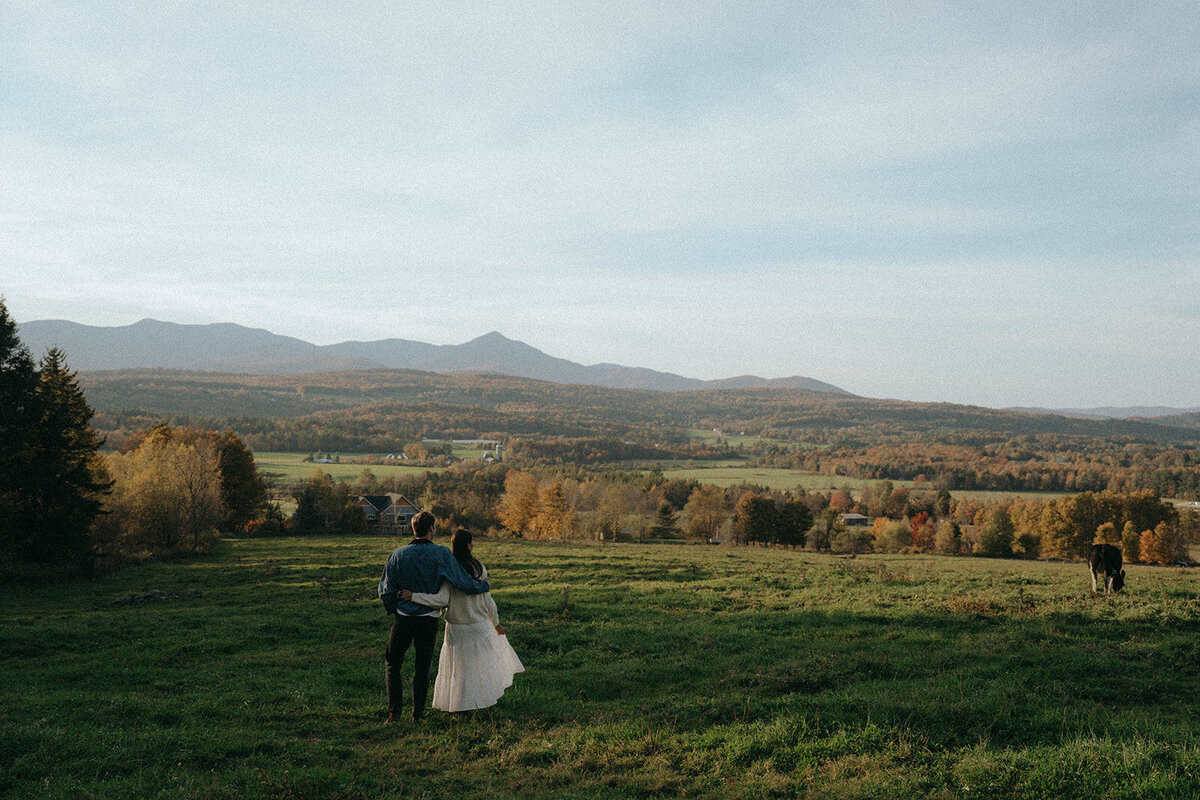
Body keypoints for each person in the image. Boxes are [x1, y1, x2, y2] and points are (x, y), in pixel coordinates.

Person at [378, 511, 490, 723]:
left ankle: (394, 713)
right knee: (422, 666)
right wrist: (483, 585)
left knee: (393, 664)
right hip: (428, 620)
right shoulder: (441, 554)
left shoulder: (397, 555)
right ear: (431, 529)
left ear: (414, 529)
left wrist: (395, 608)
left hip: (403, 618)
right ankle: (417, 715)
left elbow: (385, 590)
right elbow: (462, 582)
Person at [402, 527, 524, 713]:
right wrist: (496, 624)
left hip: (457, 630)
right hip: (479, 626)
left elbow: (441, 600)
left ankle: (460, 706)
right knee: (480, 669)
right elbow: (488, 600)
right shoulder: (479, 568)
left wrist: (414, 596)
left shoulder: (449, 571)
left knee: (459, 672)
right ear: (468, 545)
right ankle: (481, 703)